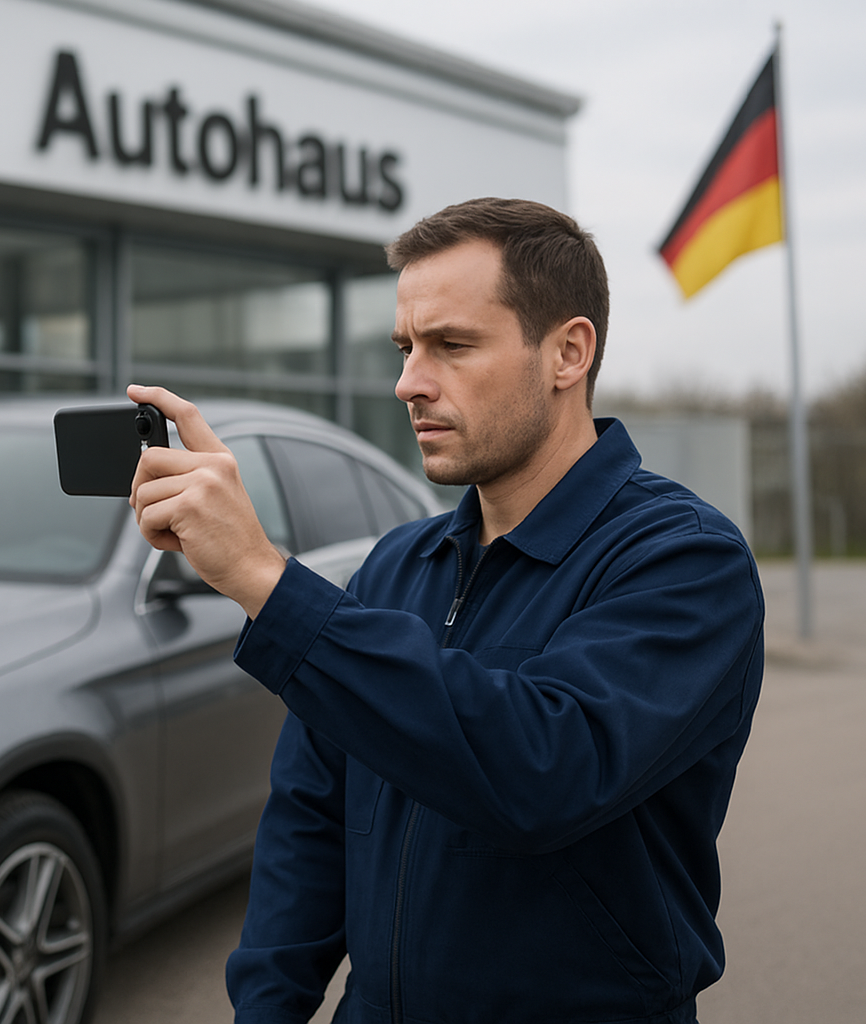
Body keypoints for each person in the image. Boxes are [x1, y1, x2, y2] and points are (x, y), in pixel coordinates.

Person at [126, 197, 764, 1024]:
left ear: (568, 352)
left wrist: (264, 578)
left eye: (452, 346)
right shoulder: (397, 564)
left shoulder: (684, 560)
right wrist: (267, 1010)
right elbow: (311, 820)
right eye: (405, 347)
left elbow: (541, 770)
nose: (408, 383)